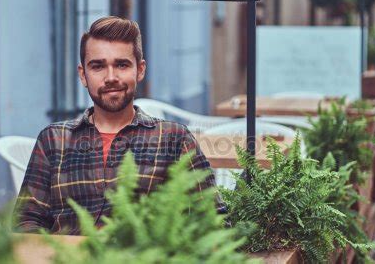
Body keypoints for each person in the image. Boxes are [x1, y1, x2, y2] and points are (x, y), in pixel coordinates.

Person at [13, 16, 225, 235]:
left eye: (122, 65)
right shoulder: (53, 140)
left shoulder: (174, 139)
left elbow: (213, 220)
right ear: (83, 75)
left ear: (140, 70)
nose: (111, 77)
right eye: (98, 66)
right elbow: (26, 222)